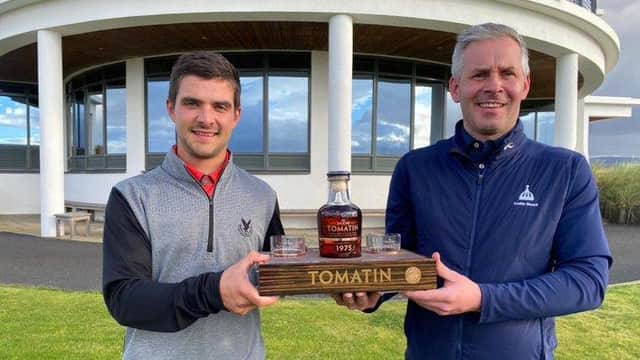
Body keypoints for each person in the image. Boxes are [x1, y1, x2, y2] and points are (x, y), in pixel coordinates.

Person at [334, 23, 612, 359]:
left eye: (507, 73)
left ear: (524, 85)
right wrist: (372, 292)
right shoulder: (415, 168)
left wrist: (483, 298)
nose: (494, 86)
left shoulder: (564, 171)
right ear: (455, 87)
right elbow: (401, 260)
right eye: (479, 74)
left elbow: (588, 281)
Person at [102, 51, 284, 359]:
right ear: (171, 109)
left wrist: (356, 285)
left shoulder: (262, 196)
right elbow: (124, 300)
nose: (206, 118)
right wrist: (213, 291)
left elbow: (281, 274)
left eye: (220, 106)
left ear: (236, 115)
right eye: (192, 103)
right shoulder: (132, 197)